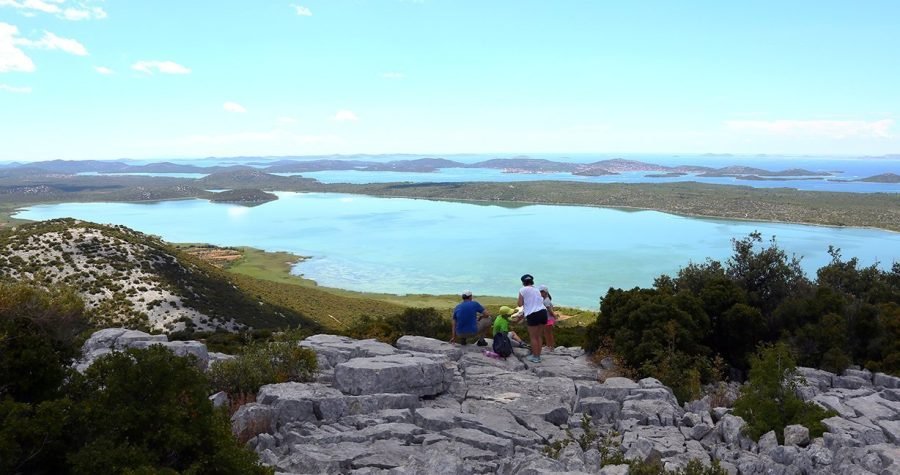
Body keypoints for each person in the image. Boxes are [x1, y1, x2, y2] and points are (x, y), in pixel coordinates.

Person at [517, 274, 547, 363]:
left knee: (533, 337)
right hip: (543, 312)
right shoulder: (537, 290)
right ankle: (538, 355)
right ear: (532, 281)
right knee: (539, 336)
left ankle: (535, 357)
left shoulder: (522, 290)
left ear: (523, 282)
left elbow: (519, 303)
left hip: (533, 314)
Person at [539, 284, 558, 351]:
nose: (540, 293)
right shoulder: (547, 299)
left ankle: (550, 347)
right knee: (547, 333)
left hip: (548, 319)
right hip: (548, 319)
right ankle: (549, 346)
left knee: (548, 333)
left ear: (545, 292)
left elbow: (550, 310)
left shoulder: (546, 301)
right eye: (540, 291)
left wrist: (554, 316)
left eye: (542, 291)